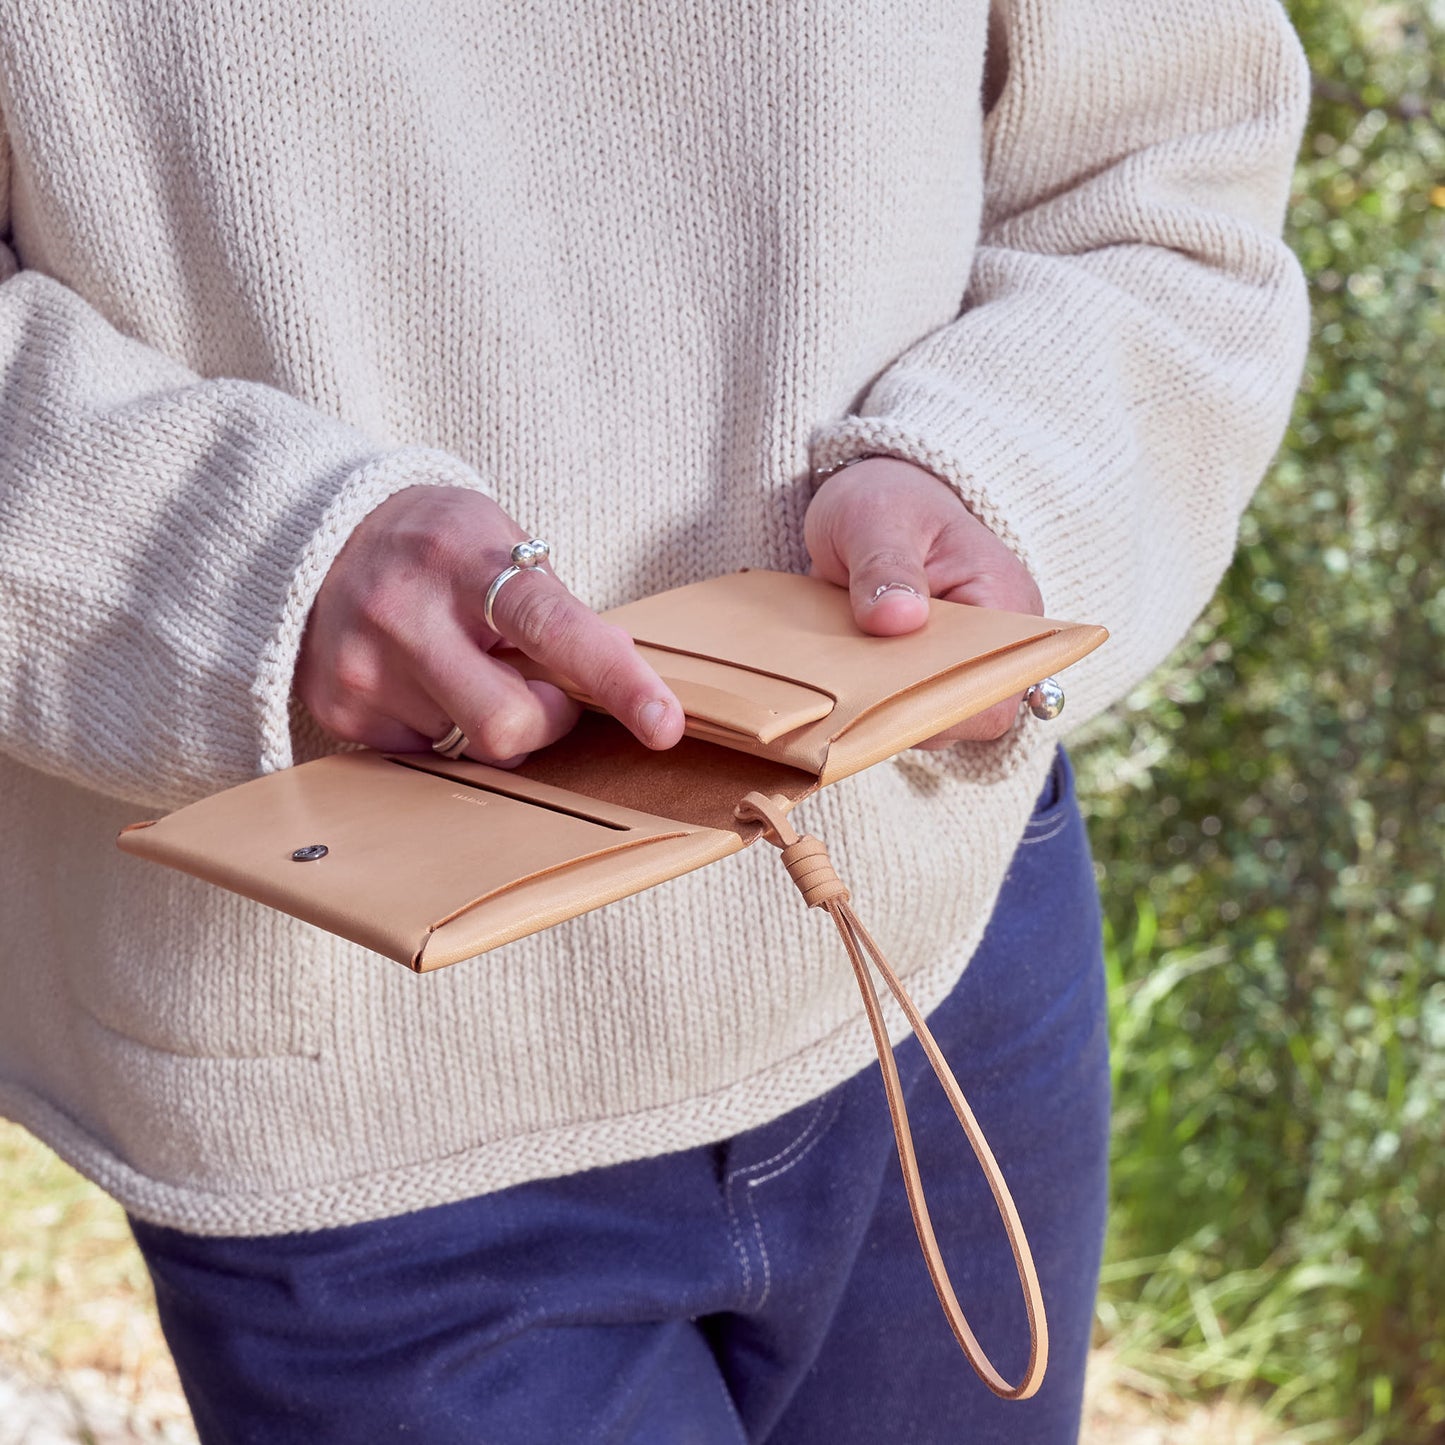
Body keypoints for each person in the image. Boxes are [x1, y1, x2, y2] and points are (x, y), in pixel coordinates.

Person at [0, 2, 1310, 1440]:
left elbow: (1168, 158)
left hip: (932, 950)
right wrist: (245, 562)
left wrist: (993, 472)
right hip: (356, 1087)